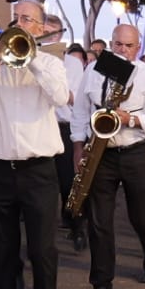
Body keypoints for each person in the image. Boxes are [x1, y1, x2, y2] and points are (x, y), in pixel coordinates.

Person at [0, 0, 70, 289]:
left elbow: (61, 98)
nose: (18, 23)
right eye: (15, 18)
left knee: (43, 249)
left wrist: (30, 61)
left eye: (26, 19)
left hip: (39, 170)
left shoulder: (50, 62)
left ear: (41, 28)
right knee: (1, 250)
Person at [76, 24, 145, 289]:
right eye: (118, 44)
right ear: (110, 43)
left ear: (138, 47)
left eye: (129, 46)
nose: (123, 50)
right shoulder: (93, 70)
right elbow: (81, 111)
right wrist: (78, 148)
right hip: (101, 153)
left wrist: (130, 119)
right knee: (99, 222)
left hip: (136, 151)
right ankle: (102, 286)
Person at [59, 42, 90, 248]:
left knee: (68, 182)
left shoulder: (72, 64)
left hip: (64, 127)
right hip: (39, 127)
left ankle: (77, 227)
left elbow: (75, 99)